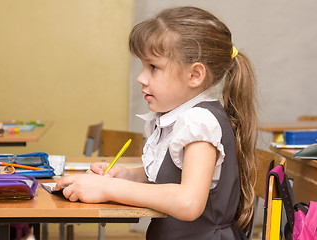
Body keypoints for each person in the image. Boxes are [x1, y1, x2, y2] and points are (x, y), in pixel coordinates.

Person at [56, 6, 258, 239]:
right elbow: (175, 173)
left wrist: (109, 188)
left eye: (153, 67)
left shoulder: (199, 122)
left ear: (194, 75)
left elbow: (188, 202)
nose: (141, 78)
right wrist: (128, 176)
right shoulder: (180, 117)